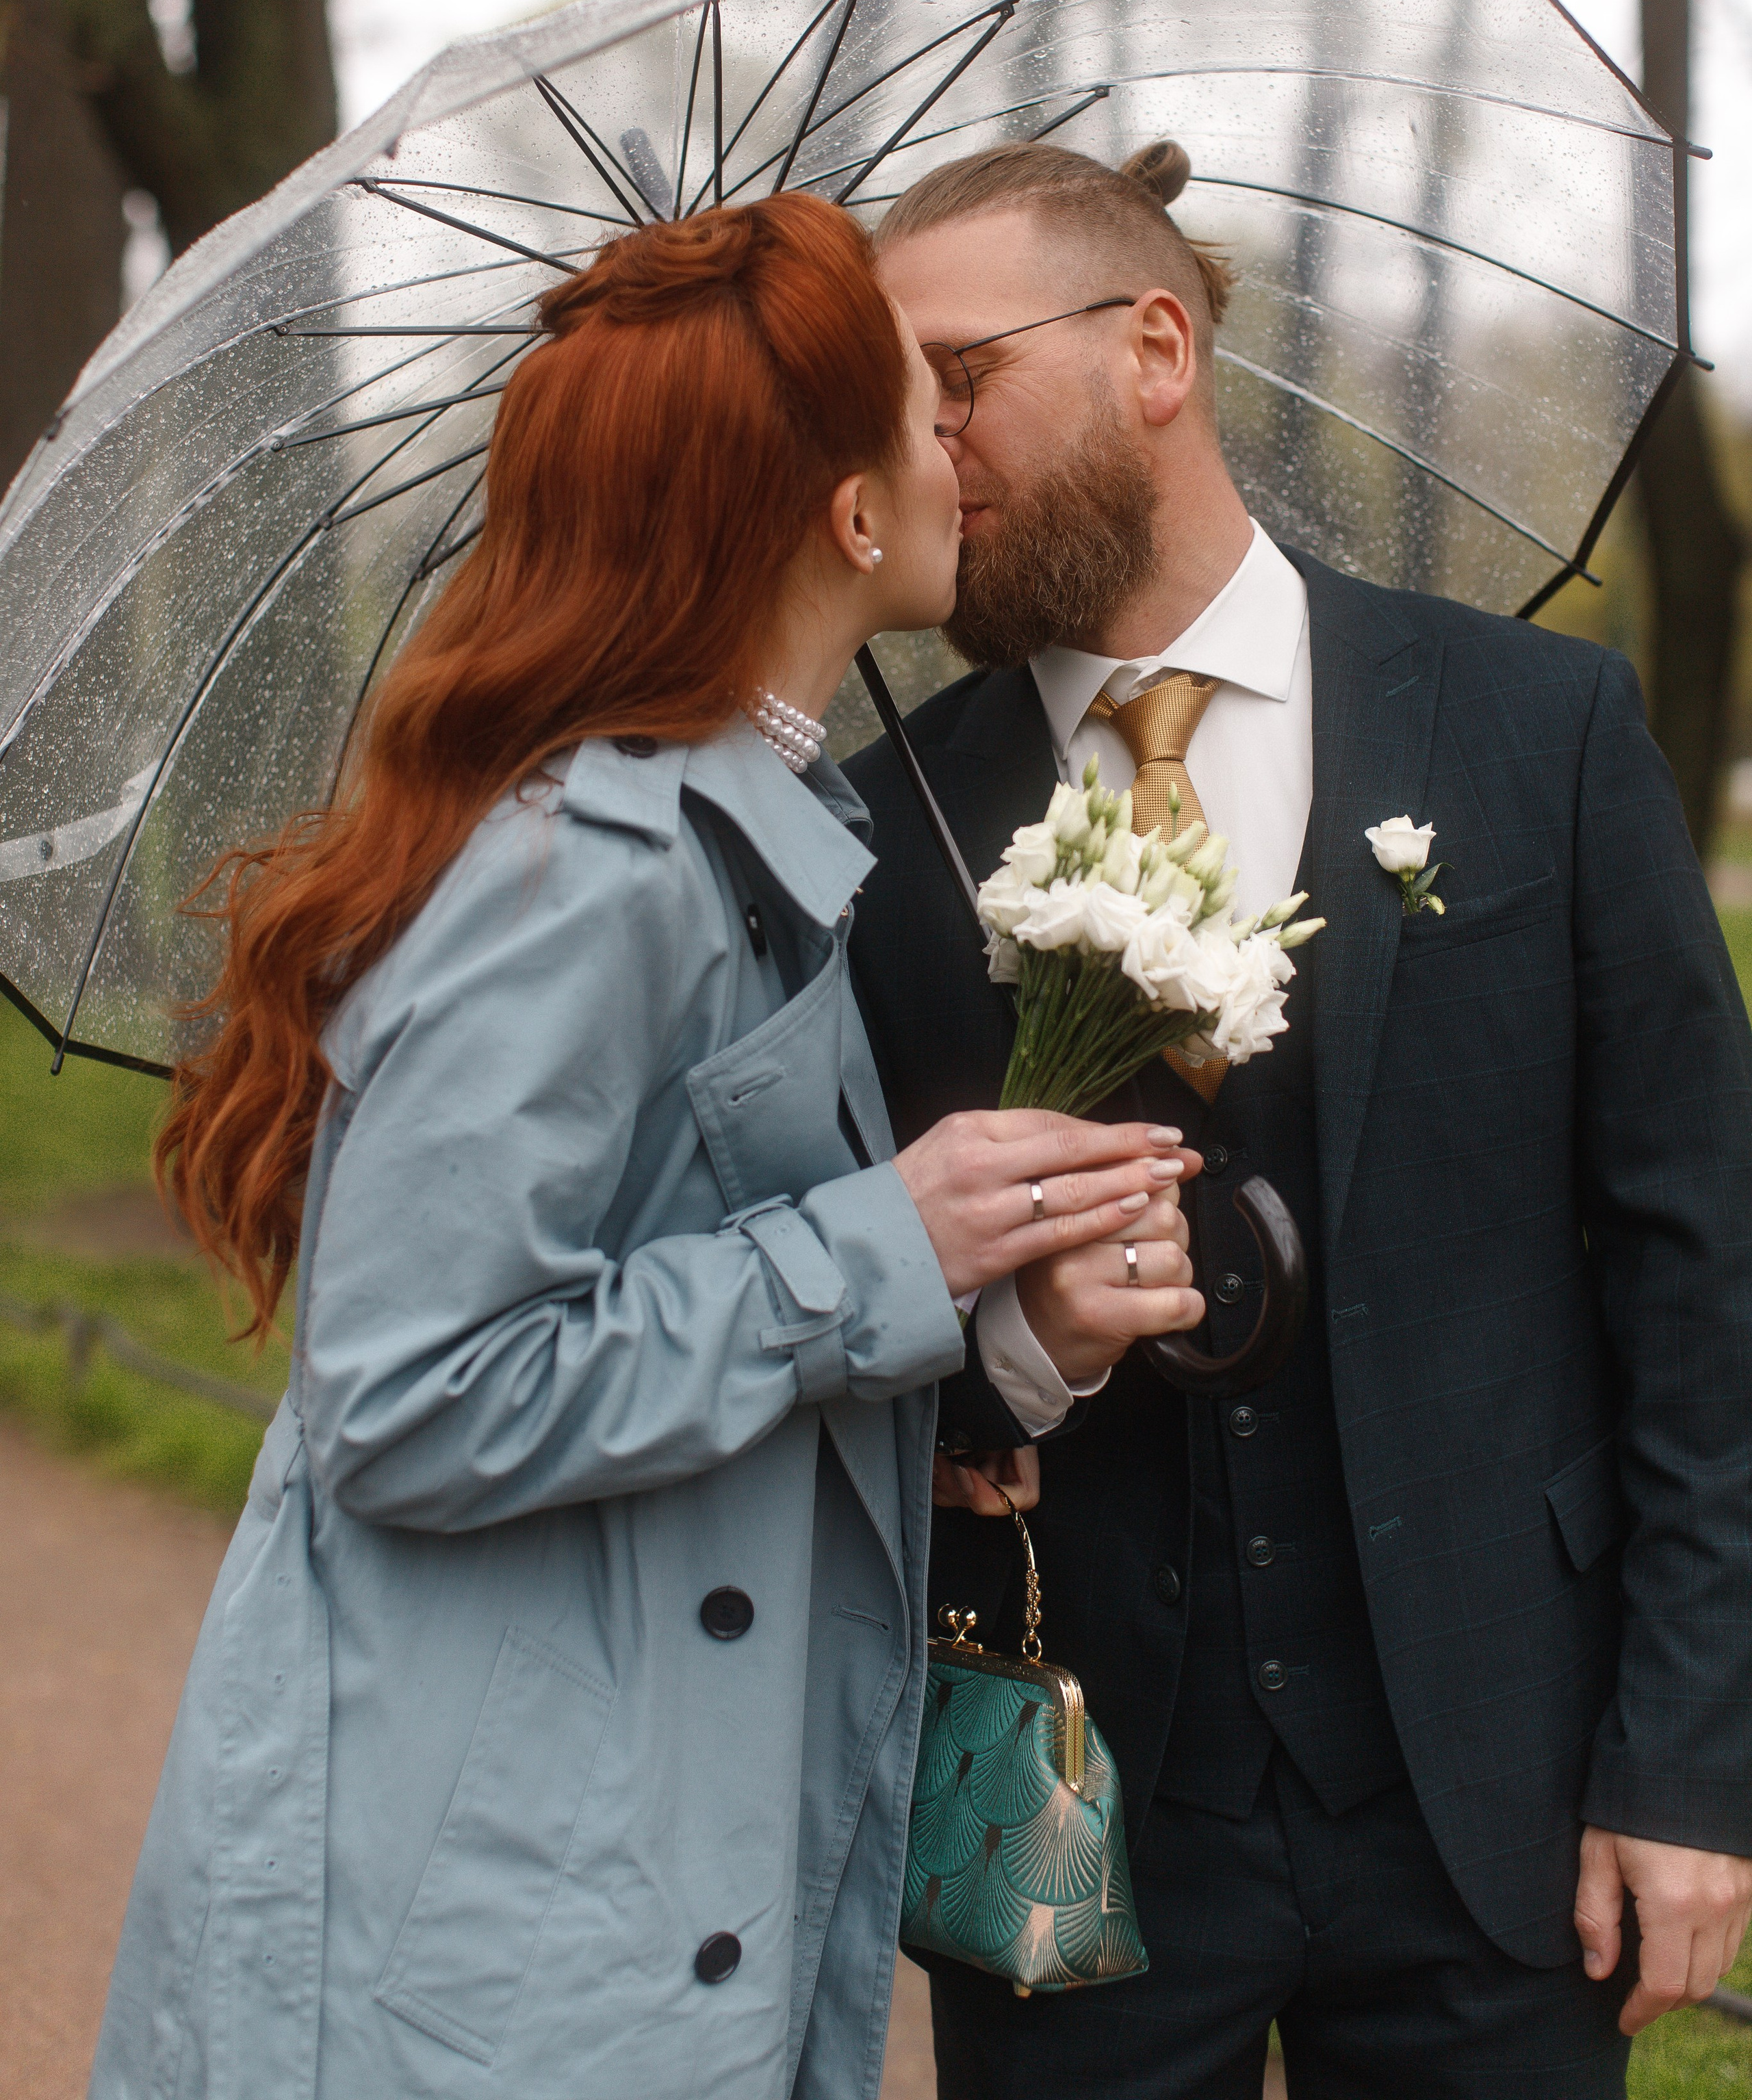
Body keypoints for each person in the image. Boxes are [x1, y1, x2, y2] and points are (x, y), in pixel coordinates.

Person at [87, 194, 1203, 2100]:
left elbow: (663, 1322)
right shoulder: (586, 881)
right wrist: (886, 1246)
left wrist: (1002, 1332)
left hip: (611, 1847)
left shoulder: (730, 844)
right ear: (853, 513)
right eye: (921, 409)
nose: (960, 445)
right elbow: (411, 1392)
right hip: (499, 1923)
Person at [845, 139, 1752, 2098]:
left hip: (1498, 1791)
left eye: (961, 376)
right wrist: (1008, 1358)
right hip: (1066, 1814)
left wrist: (1691, 1760)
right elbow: (829, 1328)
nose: (922, 445)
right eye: (888, 404)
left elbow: (1707, 1284)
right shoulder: (875, 835)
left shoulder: (1541, 734)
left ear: (1153, 350)